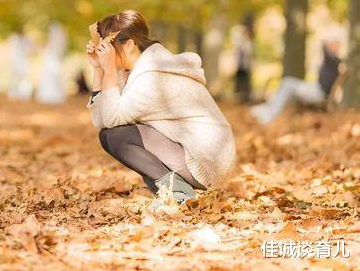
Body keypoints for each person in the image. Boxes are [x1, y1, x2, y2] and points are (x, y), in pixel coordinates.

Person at [86, 11, 236, 205]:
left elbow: (111, 118)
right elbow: (101, 120)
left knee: (117, 137)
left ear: (129, 45)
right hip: (200, 154)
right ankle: (172, 192)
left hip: (206, 162)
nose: (102, 51)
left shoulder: (152, 77)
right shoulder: (138, 70)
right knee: (108, 136)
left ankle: (180, 195)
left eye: (107, 46)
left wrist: (108, 72)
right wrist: (98, 70)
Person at [251, 40, 343, 125]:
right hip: (316, 88)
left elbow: (324, 48)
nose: (330, 46)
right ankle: (269, 109)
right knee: (287, 84)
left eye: (333, 44)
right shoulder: (333, 61)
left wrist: (326, 42)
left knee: (287, 83)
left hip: (318, 92)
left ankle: (270, 113)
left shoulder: (334, 60)